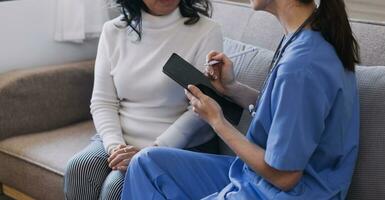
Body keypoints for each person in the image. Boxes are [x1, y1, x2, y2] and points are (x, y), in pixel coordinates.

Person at [120, 0, 361, 199]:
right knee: (145, 163)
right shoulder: (305, 36)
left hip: (283, 192)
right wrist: (232, 89)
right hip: (256, 179)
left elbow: (285, 177)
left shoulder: (302, 65)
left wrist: (217, 121)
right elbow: (288, 112)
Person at [64, 0, 223, 199]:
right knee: (80, 169)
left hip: (177, 145)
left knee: (116, 187)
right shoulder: (113, 30)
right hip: (121, 137)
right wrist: (115, 147)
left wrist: (151, 152)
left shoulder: (207, 31)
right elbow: (103, 101)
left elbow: (203, 109)